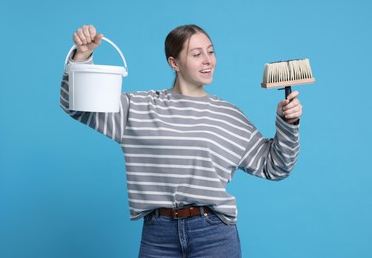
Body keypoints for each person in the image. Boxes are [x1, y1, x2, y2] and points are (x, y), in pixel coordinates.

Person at [60, 24, 302, 258]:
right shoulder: (139, 108)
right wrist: (82, 56)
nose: (208, 60)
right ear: (173, 63)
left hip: (214, 236)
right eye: (197, 54)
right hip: (158, 236)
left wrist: (288, 124)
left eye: (211, 51)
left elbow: (276, 166)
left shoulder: (229, 116)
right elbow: (78, 106)